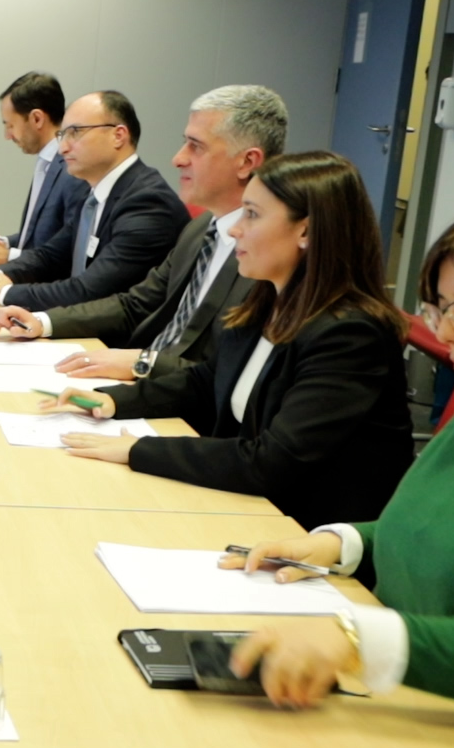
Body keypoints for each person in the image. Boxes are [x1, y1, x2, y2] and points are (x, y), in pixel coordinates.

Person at [222, 188, 454, 748]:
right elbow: (451, 530)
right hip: (423, 712)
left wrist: (356, 638)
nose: (450, 333)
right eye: (441, 308)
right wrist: (342, 543)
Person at [42, 151, 412, 528]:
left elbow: (271, 461)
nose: (235, 230)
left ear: (306, 232)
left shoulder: (349, 334)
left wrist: (140, 450)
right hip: (248, 505)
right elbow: (206, 382)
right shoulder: (267, 298)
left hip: (302, 529)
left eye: (252, 214)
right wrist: (112, 400)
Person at [0, 85, 286, 382]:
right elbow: (134, 303)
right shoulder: (201, 228)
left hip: (166, 388)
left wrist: (140, 365)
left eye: (196, 146)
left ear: (247, 162)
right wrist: (42, 321)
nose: (178, 159)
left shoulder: (267, 258)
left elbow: (214, 370)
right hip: (143, 373)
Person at [0, 90, 188, 311]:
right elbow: (51, 256)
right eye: (63, 135)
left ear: (118, 136)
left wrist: (5, 292)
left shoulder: (148, 203)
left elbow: (90, 291)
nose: (63, 148)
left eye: (75, 132)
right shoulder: (92, 193)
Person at [0, 71, 86, 269]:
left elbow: (67, 253)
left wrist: (8, 256)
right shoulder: (47, 162)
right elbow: (39, 237)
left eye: (10, 125)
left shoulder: (73, 172)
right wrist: (3, 243)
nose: (7, 136)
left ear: (37, 119)